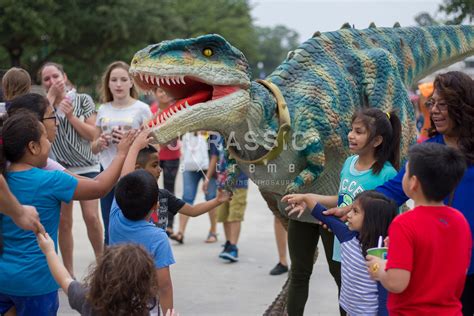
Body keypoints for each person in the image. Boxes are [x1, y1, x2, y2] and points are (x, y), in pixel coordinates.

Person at [325, 71, 474, 315]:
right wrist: (354, 208)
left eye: (443, 104)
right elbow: (392, 190)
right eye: (431, 103)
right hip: (432, 264)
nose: (434, 110)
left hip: (464, 264)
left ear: (462, 106)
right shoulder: (427, 151)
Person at [0, 110, 133, 315]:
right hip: (37, 282)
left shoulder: (4, 180)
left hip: (3, 279)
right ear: (33, 147)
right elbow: (99, 187)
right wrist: (122, 153)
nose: (50, 143)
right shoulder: (50, 180)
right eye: (45, 137)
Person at [286, 108, 401, 315]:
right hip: (344, 247)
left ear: (376, 141)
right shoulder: (348, 164)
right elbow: (341, 201)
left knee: (368, 302)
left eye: (359, 131)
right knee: (347, 298)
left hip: (369, 253)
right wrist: (311, 199)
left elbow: (394, 218)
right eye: (351, 129)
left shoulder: (387, 174)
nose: (351, 135)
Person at [366, 143, 471, 314]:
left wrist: (378, 267)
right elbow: (458, 269)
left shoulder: (404, 224)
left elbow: (396, 283)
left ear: (413, 182)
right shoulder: (460, 221)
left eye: (406, 172)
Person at [285, 190, 397, 315]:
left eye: (355, 211)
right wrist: (305, 197)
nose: (348, 215)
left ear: (371, 220)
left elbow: (384, 296)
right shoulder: (347, 236)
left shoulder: (380, 255)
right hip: (350, 310)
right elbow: (321, 213)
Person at [38, 62, 102, 277]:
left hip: (88, 166)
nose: (52, 81)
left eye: (55, 75)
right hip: (59, 168)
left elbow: (93, 134)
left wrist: (71, 116)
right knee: (64, 223)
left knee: (91, 217)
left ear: (64, 76)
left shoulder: (82, 99)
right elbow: (36, 130)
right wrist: (50, 102)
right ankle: (69, 273)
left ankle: (103, 265)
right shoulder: (44, 106)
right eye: (46, 79)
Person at [93, 60, 152, 245]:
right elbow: (93, 146)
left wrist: (129, 141)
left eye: (123, 79)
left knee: (134, 224)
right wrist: (101, 141)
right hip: (107, 174)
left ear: (131, 82)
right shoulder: (102, 109)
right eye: (114, 80)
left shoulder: (142, 108)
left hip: (133, 175)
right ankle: (109, 270)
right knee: (110, 227)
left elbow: (152, 143)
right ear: (108, 83)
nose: (118, 84)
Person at [120, 140, 232, 234]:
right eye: (154, 165)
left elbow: (192, 211)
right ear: (138, 168)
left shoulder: (163, 195)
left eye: (159, 164)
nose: (160, 169)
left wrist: (217, 200)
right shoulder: (127, 195)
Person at [37, 233, 158, 316]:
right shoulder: (145, 309)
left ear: (101, 274)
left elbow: (64, 279)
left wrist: (49, 251)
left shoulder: (90, 301)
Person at [108, 169, 174, 314]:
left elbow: (124, 175)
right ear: (156, 206)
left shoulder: (114, 217)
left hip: (113, 302)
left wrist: (134, 147)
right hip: (145, 307)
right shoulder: (158, 237)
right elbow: (164, 286)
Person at [172, 132, 219, 244]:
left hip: (210, 167)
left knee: (211, 198)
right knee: (187, 197)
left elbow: (215, 155)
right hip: (190, 165)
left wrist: (207, 177)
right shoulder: (188, 129)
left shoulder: (212, 132)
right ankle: (180, 232)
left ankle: (213, 231)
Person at [150, 87, 181, 236]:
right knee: (151, 190)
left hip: (172, 156)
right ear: (155, 94)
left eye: (166, 91)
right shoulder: (151, 110)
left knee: (168, 191)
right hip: (153, 157)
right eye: (160, 91)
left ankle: (168, 225)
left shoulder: (176, 110)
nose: (163, 94)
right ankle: (154, 221)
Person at [216, 137, 249, 262]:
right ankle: (228, 243)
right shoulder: (218, 136)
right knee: (223, 215)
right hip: (222, 183)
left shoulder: (239, 134)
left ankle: (234, 247)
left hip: (238, 182)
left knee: (235, 214)